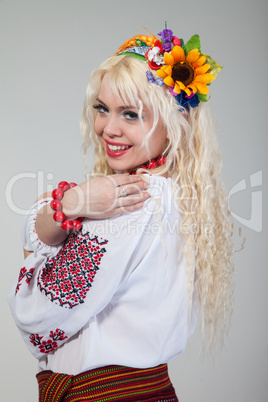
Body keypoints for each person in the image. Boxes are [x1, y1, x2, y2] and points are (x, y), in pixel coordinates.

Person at [9, 26, 234, 402]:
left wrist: (46, 238)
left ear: (174, 122)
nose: (108, 129)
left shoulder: (134, 199)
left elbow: (37, 314)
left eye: (130, 114)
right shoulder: (170, 194)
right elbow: (38, 229)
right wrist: (72, 205)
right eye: (102, 109)